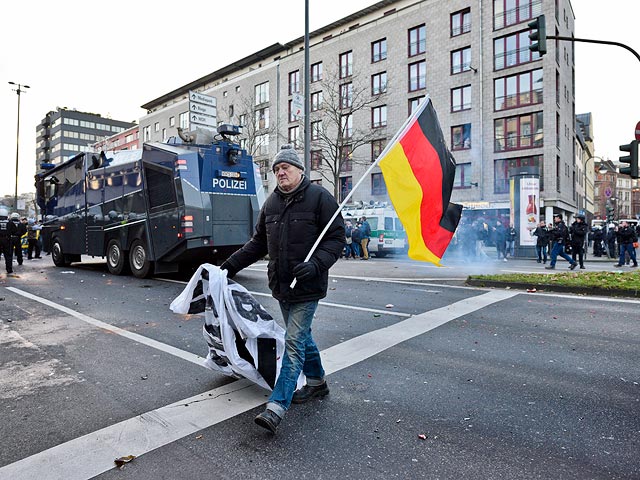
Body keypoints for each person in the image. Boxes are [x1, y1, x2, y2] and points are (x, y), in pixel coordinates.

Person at [220, 144, 345, 434]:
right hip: (281, 286)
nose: (280, 173)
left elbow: (337, 239)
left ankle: (277, 406)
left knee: (294, 342)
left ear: (300, 170)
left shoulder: (319, 198)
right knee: (302, 337)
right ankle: (317, 383)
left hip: (308, 286)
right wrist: (229, 266)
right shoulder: (271, 204)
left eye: (285, 167)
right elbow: (257, 244)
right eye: (276, 169)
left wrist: (315, 265)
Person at [0, 208, 17, 274]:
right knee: (8, 255)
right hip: (7, 240)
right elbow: (14, 231)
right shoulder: (10, 223)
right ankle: (9, 269)